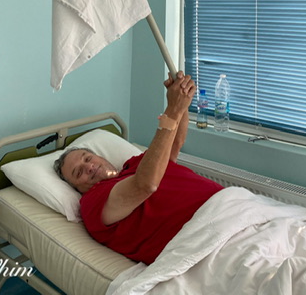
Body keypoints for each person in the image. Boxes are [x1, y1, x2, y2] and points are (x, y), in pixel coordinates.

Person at [54, 71, 224, 264]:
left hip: (230, 207)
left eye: (87, 158)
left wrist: (181, 100)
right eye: (78, 173)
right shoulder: (93, 202)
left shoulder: (137, 164)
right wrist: (172, 110)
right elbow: (145, 185)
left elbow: (175, 142)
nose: (89, 167)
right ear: (77, 188)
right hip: (206, 240)